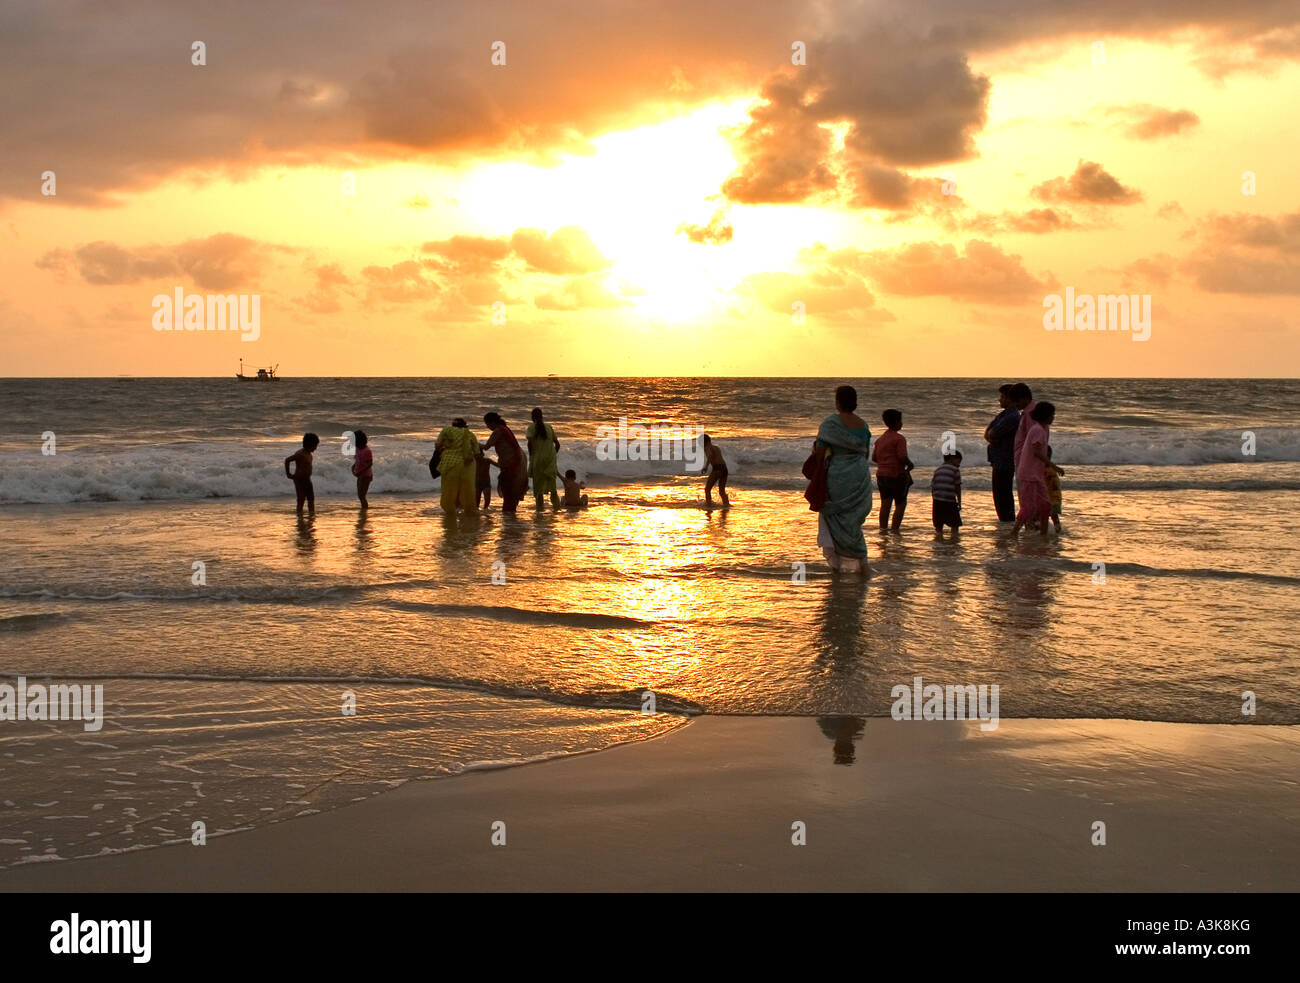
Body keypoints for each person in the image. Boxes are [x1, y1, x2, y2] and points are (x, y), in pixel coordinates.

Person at [814, 385, 873, 574]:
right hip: (860, 474)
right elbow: (866, 453)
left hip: (838, 475)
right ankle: (862, 561)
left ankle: (836, 567)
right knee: (854, 520)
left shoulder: (830, 424)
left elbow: (819, 454)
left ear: (838, 402)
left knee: (834, 517)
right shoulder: (863, 425)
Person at [1012, 401, 1055, 535]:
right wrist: (1053, 465)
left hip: (1036, 474)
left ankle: (1043, 534)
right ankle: (1014, 533)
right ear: (1045, 416)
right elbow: (1037, 452)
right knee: (1028, 508)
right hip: (1028, 474)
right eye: (1052, 415)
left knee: (1045, 505)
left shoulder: (1042, 429)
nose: (1053, 417)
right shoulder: (1037, 430)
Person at [872, 409, 914, 531]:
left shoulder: (880, 439)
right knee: (900, 503)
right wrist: (910, 464)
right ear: (896, 422)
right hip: (896, 474)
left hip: (881, 475)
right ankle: (895, 530)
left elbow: (874, 458)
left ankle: (883, 529)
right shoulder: (899, 439)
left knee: (885, 504)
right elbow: (902, 456)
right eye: (900, 421)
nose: (902, 423)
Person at [984, 384, 1020, 521]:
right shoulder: (1004, 415)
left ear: (1009, 399)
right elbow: (988, 432)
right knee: (999, 494)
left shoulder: (1012, 417)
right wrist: (989, 434)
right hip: (999, 459)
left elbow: (992, 433)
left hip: (1005, 460)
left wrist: (990, 435)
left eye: (1002, 397)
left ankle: (1007, 521)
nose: (1000, 400)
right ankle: (1005, 521)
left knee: (1003, 494)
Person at [483, 412, 527, 514]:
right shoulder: (505, 429)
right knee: (512, 494)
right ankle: (511, 519)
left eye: (487, 424)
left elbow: (486, 447)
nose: (487, 426)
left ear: (492, 422)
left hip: (512, 465)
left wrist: (472, 443)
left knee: (508, 493)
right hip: (517, 461)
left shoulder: (498, 431)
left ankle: (509, 521)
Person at [435, 417, 479, 514]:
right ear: (464, 425)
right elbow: (476, 452)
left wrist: (443, 449)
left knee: (449, 489)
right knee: (467, 489)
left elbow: (438, 445)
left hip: (450, 463)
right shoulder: (470, 434)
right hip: (468, 465)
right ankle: (469, 511)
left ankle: (450, 512)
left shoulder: (446, 430)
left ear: (453, 425)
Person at [526, 408, 561, 509]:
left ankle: (540, 511)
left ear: (532, 417)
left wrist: (532, 458)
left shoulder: (531, 427)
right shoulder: (549, 427)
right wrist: (553, 455)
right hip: (550, 460)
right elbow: (557, 444)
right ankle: (556, 509)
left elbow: (530, 445)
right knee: (553, 489)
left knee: (538, 490)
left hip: (538, 460)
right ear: (542, 416)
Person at [284, 432, 320, 516]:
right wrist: (288, 474)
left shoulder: (309, 454)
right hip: (299, 479)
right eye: (315, 446)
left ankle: (312, 515)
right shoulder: (300, 454)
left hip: (307, 479)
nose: (316, 448)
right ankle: (299, 515)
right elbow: (287, 460)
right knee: (301, 499)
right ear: (309, 445)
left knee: (311, 499)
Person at [931, 450, 962, 535]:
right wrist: (959, 502)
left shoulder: (937, 470)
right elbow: (957, 487)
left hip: (937, 501)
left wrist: (934, 498)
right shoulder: (955, 470)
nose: (959, 465)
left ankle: (939, 538)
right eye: (958, 461)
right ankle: (954, 539)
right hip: (949, 501)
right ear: (952, 459)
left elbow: (933, 486)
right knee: (955, 524)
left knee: (938, 524)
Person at [701, 434, 729, 509]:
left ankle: (708, 507)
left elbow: (710, 455)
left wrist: (706, 467)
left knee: (707, 489)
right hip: (724, 469)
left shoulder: (707, 448)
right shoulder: (716, 447)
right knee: (722, 492)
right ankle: (726, 506)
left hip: (717, 468)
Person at [1044, 446, 1066, 533]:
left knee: (1054, 515)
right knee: (1049, 515)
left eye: (1049, 456)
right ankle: (1054, 531)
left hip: (1054, 497)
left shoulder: (1050, 469)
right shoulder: (1050, 468)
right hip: (1048, 496)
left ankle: (1057, 531)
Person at [351, 430, 373, 509]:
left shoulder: (367, 451)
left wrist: (360, 472)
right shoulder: (358, 449)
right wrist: (353, 467)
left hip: (366, 476)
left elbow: (369, 464)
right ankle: (363, 509)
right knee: (360, 495)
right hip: (360, 475)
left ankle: (364, 510)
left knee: (362, 495)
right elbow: (358, 460)